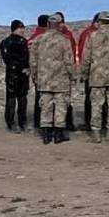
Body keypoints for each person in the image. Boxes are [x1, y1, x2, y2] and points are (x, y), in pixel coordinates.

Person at [78, 12, 109, 143]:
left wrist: (84, 73)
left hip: (96, 77)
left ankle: (96, 134)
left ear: (99, 22)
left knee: (96, 105)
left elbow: (86, 58)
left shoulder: (92, 36)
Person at [30, 12, 75, 144]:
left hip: (44, 79)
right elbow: (68, 61)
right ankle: (58, 134)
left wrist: (34, 75)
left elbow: (33, 61)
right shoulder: (64, 40)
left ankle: (46, 134)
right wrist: (73, 75)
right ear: (59, 24)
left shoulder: (39, 40)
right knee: (61, 106)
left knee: (45, 106)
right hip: (61, 80)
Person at [0, 19, 31, 133]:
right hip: (16, 74)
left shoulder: (11, 42)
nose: (23, 30)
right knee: (14, 99)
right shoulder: (14, 42)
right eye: (21, 28)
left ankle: (18, 122)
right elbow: (11, 59)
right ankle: (14, 123)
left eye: (23, 28)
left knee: (20, 99)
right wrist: (22, 68)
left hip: (17, 74)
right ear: (15, 28)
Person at [76, 12, 103, 130]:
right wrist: (84, 71)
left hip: (101, 71)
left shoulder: (90, 33)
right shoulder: (88, 34)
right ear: (96, 22)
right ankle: (89, 121)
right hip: (93, 71)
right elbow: (83, 54)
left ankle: (98, 121)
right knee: (90, 98)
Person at [26, 14, 49, 128]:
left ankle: (37, 121)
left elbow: (29, 57)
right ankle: (44, 123)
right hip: (47, 73)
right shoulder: (45, 38)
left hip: (38, 73)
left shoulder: (32, 38)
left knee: (38, 97)